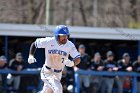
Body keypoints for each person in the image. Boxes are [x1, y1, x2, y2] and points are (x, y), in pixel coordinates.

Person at [28, 25, 80, 93]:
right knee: (58, 88)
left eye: (66, 35)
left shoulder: (70, 45)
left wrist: (72, 63)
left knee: (47, 91)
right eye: (62, 36)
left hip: (58, 73)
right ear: (57, 36)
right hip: (47, 71)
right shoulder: (49, 41)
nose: (65, 38)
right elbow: (34, 44)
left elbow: (78, 58)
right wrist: (31, 55)